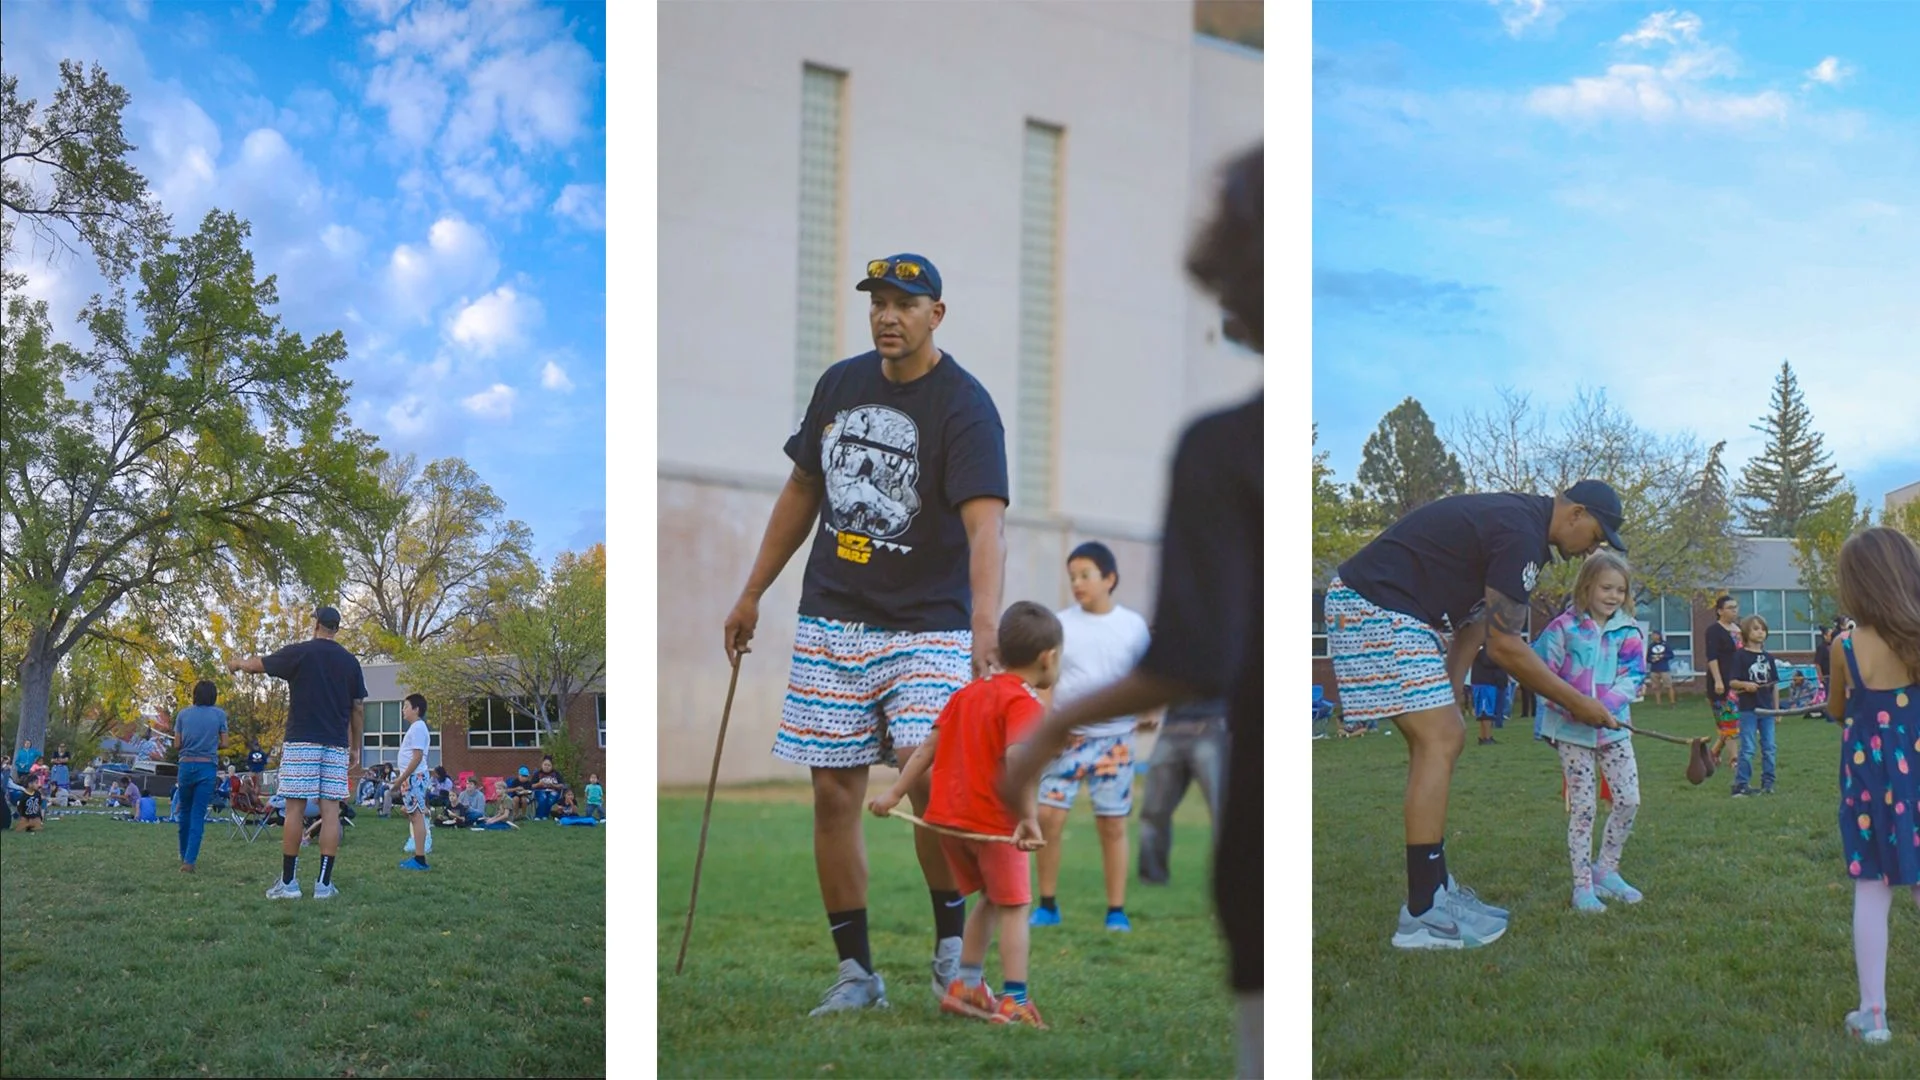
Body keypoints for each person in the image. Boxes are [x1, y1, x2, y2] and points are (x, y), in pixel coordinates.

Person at [1002, 145, 1264, 1076]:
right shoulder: (1228, 448)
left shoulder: (1224, 450)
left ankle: (1117, 899)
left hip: (1235, 817)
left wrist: (1043, 734)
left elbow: (1194, 654)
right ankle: (1065, 899)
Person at [722, 250, 1010, 1016]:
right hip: (834, 617)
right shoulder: (840, 386)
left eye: (905, 303)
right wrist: (752, 591)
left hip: (930, 627)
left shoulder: (966, 406)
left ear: (935, 315)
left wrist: (986, 626)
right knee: (831, 798)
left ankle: (952, 954)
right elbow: (802, 489)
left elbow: (988, 530)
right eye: (878, 301)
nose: (888, 314)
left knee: (938, 792)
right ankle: (858, 975)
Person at [1326, 475, 1629, 951]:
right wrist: (1578, 702)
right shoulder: (1521, 533)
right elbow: (1506, 647)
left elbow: (1476, 624)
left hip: (1395, 612)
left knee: (1446, 736)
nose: (1590, 550)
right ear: (1576, 514)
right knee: (1440, 739)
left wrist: (1450, 693)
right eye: (1595, 536)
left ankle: (1437, 892)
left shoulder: (1521, 529)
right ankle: (1423, 914)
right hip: (1373, 607)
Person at [871, 601, 1056, 1028]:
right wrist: (1027, 818)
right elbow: (1016, 762)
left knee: (992, 898)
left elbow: (927, 746)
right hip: (996, 827)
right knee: (1014, 908)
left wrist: (896, 792)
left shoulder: (966, 693)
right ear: (1048, 658)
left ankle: (967, 984)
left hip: (950, 824)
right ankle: (1015, 1000)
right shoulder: (1025, 703)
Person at [1030, 542, 1152, 932]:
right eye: (1072, 578)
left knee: (1112, 825)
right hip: (1067, 740)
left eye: (1085, 575)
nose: (1077, 584)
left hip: (1115, 742)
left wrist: (1150, 710)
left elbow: (1147, 677)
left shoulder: (1132, 625)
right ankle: (1047, 904)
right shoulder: (1059, 625)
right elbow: (1046, 682)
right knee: (1048, 818)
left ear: (1110, 579)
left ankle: (1116, 910)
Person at [1829, 527, 1920, 1045]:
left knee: (1872, 889)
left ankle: (1874, 1014)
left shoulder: (1845, 646)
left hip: (1870, 784)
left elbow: (1838, 709)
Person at [1532, 552, 1648, 912]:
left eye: (1620, 589)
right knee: (1583, 809)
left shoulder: (1628, 630)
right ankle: (1582, 886)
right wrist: (1574, 708)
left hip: (1615, 732)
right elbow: (1540, 676)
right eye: (1606, 587)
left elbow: (1634, 675)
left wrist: (1607, 706)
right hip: (1572, 734)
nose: (1613, 596)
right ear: (1587, 586)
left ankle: (1606, 870)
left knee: (1629, 800)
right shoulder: (1562, 628)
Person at [227, 605, 367, 900]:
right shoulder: (350, 662)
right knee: (331, 813)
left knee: (294, 809)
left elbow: (257, 666)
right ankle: (323, 886)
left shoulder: (300, 652)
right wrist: (355, 747)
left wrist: (238, 663)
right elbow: (357, 707)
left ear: (316, 623)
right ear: (336, 628)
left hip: (302, 741)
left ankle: (289, 884)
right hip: (335, 745)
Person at [1136, 696, 1227, 886]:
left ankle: (1231, 875)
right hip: (1171, 728)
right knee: (1153, 811)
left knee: (1224, 812)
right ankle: (1152, 879)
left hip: (1211, 725)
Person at [171, 681, 229, 873]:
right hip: (207, 766)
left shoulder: (183, 714)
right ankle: (190, 860)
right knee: (198, 813)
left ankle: (182, 852)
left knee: (184, 811)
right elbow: (225, 743)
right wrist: (210, 744)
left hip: (186, 765)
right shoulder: (219, 715)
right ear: (214, 696)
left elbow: (177, 745)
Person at [1727, 615, 1782, 798]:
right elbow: (1733, 682)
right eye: (1755, 629)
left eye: (1762, 629)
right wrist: (1745, 685)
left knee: (1769, 747)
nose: (1760, 632)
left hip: (1767, 711)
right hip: (1748, 710)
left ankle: (1768, 783)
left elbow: (1774, 685)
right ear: (1746, 633)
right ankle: (1741, 784)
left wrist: (1776, 709)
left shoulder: (1769, 658)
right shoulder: (1740, 656)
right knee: (1748, 748)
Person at [389, 693, 433, 870]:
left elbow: (417, 757)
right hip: (412, 778)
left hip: (415, 778)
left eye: (406, 706)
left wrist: (401, 779)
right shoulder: (416, 728)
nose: (403, 710)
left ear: (416, 709)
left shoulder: (418, 728)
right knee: (414, 816)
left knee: (416, 816)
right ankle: (418, 857)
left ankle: (420, 859)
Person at [1704, 594, 1742, 749]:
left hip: (1739, 681)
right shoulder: (1714, 630)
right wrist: (1718, 680)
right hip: (1723, 681)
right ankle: (1734, 759)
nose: (1734, 611)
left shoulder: (1739, 629)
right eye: (1730, 608)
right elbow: (1712, 656)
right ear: (1720, 611)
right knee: (1728, 721)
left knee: (1735, 723)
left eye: (1735, 607)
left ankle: (1712, 755)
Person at [1469, 646, 1508, 746]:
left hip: (1485, 683)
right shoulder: (1485, 652)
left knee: (1486, 712)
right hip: (1485, 683)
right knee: (1485, 711)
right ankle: (1486, 737)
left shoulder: (1482, 651)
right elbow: (1489, 662)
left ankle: (1485, 736)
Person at [1645, 631, 1676, 706]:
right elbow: (1647, 658)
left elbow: (1671, 655)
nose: (1652, 636)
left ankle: (1672, 702)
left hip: (1664, 669)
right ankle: (1658, 703)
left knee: (1668, 686)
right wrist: (1652, 659)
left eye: (1654, 635)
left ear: (1659, 636)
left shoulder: (1665, 645)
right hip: (1654, 669)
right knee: (1656, 687)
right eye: (1652, 635)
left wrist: (1662, 656)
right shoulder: (1651, 646)